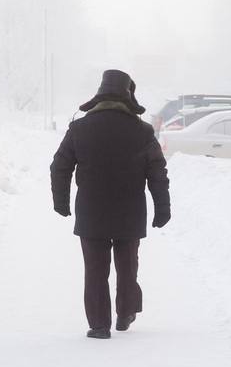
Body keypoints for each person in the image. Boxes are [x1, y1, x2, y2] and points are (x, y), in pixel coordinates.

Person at [50, 69, 171, 339]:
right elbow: (157, 172)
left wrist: (61, 200)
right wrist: (162, 207)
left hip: (91, 211)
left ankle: (98, 325)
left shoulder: (79, 128)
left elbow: (60, 166)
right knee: (128, 266)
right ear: (128, 97)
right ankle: (126, 313)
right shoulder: (142, 131)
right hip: (130, 211)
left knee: (95, 269)